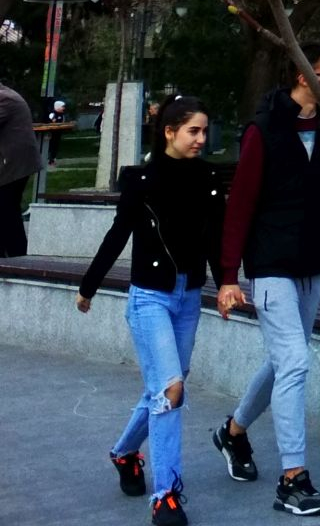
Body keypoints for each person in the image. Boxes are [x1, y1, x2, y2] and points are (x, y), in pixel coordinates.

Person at [212, 45, 320, 517]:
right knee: (296, 362)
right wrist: (228, 277)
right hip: (270, 265)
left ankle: (233, 433)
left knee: (286, 360)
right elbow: (240, 205)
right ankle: (292, 480)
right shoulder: (263, 130)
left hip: (311, 261)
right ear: (302, 76)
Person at [76, 96, 225, 524]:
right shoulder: (142, 180)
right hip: (150, 299)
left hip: (189, 297)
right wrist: (89, 286)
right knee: (172, 390)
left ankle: (125, 452)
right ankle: (166, 496)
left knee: (163, 389)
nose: (201, 139)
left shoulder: (208, 178)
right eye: (193, 131)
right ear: (169, 132)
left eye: (204, 131)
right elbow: (118, 233)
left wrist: (227, 284)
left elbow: (215, 239)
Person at [0, 76, 41, 257]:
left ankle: (17, 258)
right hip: (13, 163)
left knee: (6, 210)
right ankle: (14, 257)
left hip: (14, 164)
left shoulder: (4, 98)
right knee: (7, 211)